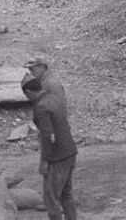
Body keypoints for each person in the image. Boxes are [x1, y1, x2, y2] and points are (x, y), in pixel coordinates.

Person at [21, 72, 77, 220]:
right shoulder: (54, 98)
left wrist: (44, 161)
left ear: (29, 92)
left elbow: (48, 136)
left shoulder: (41, 106)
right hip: (70, 152)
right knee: (67, 194)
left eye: (27, 96)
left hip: (57, 157)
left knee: (51, 199)